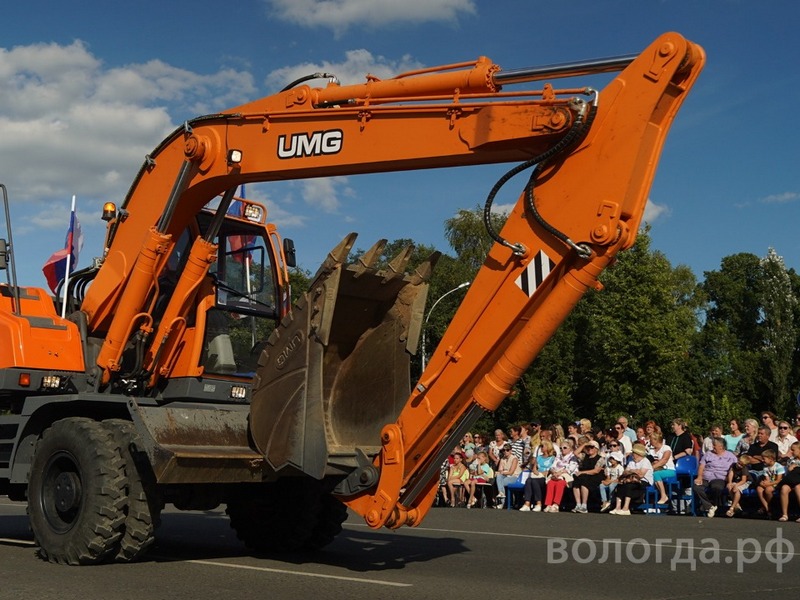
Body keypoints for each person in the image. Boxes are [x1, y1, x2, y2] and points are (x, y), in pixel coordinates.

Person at [692, 436, 737, 518]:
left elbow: (735, 468)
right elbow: (701, 466)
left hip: (720, 477)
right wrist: (699, 477)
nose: (713, 447)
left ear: (721, 447)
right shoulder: (708, 454)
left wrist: (730, 481)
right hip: (706, 477)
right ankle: (710, 506)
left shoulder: (730, 456)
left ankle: (715, 505)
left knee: (717, 487)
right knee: (696, 487)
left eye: (714, 445)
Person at [610, 443, 653, 515]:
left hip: (643, 481)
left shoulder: (645, 461)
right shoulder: (631, 461)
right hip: (631, 480)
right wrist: (633, 471)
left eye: (633, 453)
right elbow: (625, 472)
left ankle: (626, 508)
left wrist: (631, 471)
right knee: (621, 484)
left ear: (637, 453)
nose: (632, 454)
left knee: (629, 485)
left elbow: (640, 474)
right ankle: (617, 507)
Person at [519, 440, 556, 512]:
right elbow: (534, 469)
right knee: (529, 480)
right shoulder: (539, 457)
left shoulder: (552, 458)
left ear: (548, 447)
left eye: (542, 446)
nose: (541, 448)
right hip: (537, 475)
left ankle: (538, 503)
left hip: (546, 477)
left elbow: (550, 470)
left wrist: (541, 473)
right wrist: (537, 472)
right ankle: (527, 503)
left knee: (534, 481)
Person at [543, 439, 579, 512]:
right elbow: (552, 466)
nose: (562, 449)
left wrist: (560, 473)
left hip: (567, 476)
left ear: (570, 448)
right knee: (550, 483)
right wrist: (554, 472)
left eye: (565, 448)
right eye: (561, 448)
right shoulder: (558, 456)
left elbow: (570, 469)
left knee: (560, 483)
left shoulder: (573, 457)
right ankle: (548, 504)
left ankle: (556, 504)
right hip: (556, 474)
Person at [572, 440, 604, 513]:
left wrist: (582, 472)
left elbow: (596, 471)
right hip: (583, 475)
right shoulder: (584, 456)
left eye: (592, 447)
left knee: (584, 481)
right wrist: (584, 444)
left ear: (596, 449)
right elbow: (576, 453)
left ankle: (584, 505)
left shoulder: (600, 458)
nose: (590, 449)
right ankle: (578, 504)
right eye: (588, 447)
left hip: (594, 476)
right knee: (576, 480)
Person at [649, 431, 676, 506]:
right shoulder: (651, 450)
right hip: (657, 469)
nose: (650, 442)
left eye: (651, 440)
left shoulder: (666, 448)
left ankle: (663, 496)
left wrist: (652, 467)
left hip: (669, 470)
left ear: (656, 440)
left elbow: (664, 460)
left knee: (656, 474)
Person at [755, 449, 784, 516]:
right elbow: (767, 478)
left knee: (768, 490)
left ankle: (771, 505)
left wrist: (768, 484)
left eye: (764, 458)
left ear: (771, 459)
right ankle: (767, 507)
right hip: (770, 483)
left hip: (777, 484)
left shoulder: (778, 467)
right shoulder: (765, 467)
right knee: (759, 489)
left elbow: (778, 480)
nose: (762, 460)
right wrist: (764, 483)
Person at [778, 441, 800, 522]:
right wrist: (791, 468)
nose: (791, 451)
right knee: (784, 488)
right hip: (792, 480)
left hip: (798, 482)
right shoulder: (790, 460)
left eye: (793, 450)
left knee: (798, 487)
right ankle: (784, 514)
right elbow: (789, 474)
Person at [495, 443, 521, 507]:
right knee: (498, 477)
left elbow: (511, 472)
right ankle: (502, 494)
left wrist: (502, 472)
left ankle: (502, 501)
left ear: (511, 451)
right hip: (505, 476)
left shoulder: (514, 459)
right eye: (504, 450)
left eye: (507, 450)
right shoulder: (502, 459)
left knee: (499, 482)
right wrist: (502, 472)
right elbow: (499, 470)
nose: (505, 451)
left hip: (515, 477)